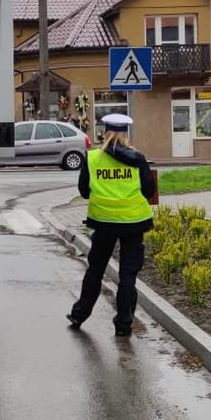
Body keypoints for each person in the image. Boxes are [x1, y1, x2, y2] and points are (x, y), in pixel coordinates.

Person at [67, 113, 156, 337]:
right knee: (128, 274)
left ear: (104, 132)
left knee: (95, 270)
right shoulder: (138, 158)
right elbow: (148, 191)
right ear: (126, 133)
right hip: (134, 223)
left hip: (104, 223)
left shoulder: (92, 157)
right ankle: (124, 324)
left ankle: (79, 315)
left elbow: (84, 191)